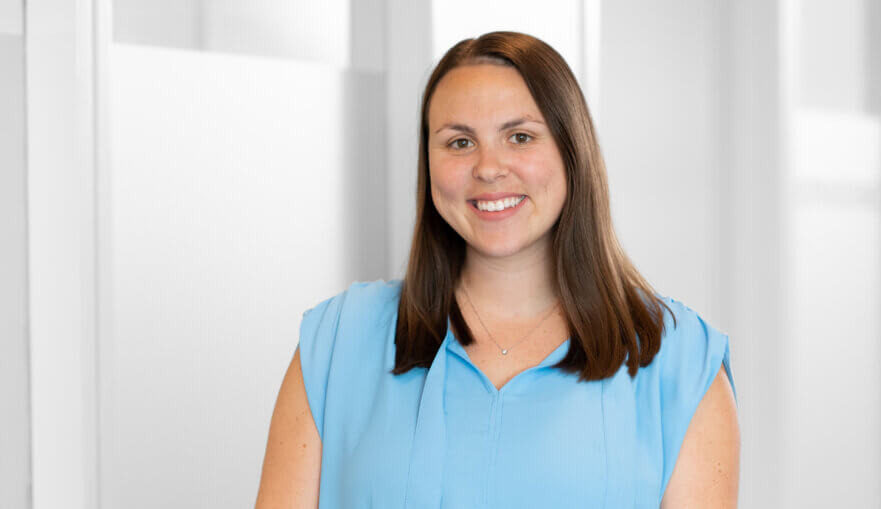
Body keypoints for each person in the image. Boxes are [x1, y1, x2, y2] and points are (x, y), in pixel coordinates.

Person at [255, 31, 739, 508]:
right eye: (460, 142)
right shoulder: (337, 343)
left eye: (520, 136)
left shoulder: (680, 364)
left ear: (573, 152)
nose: (489, 167)